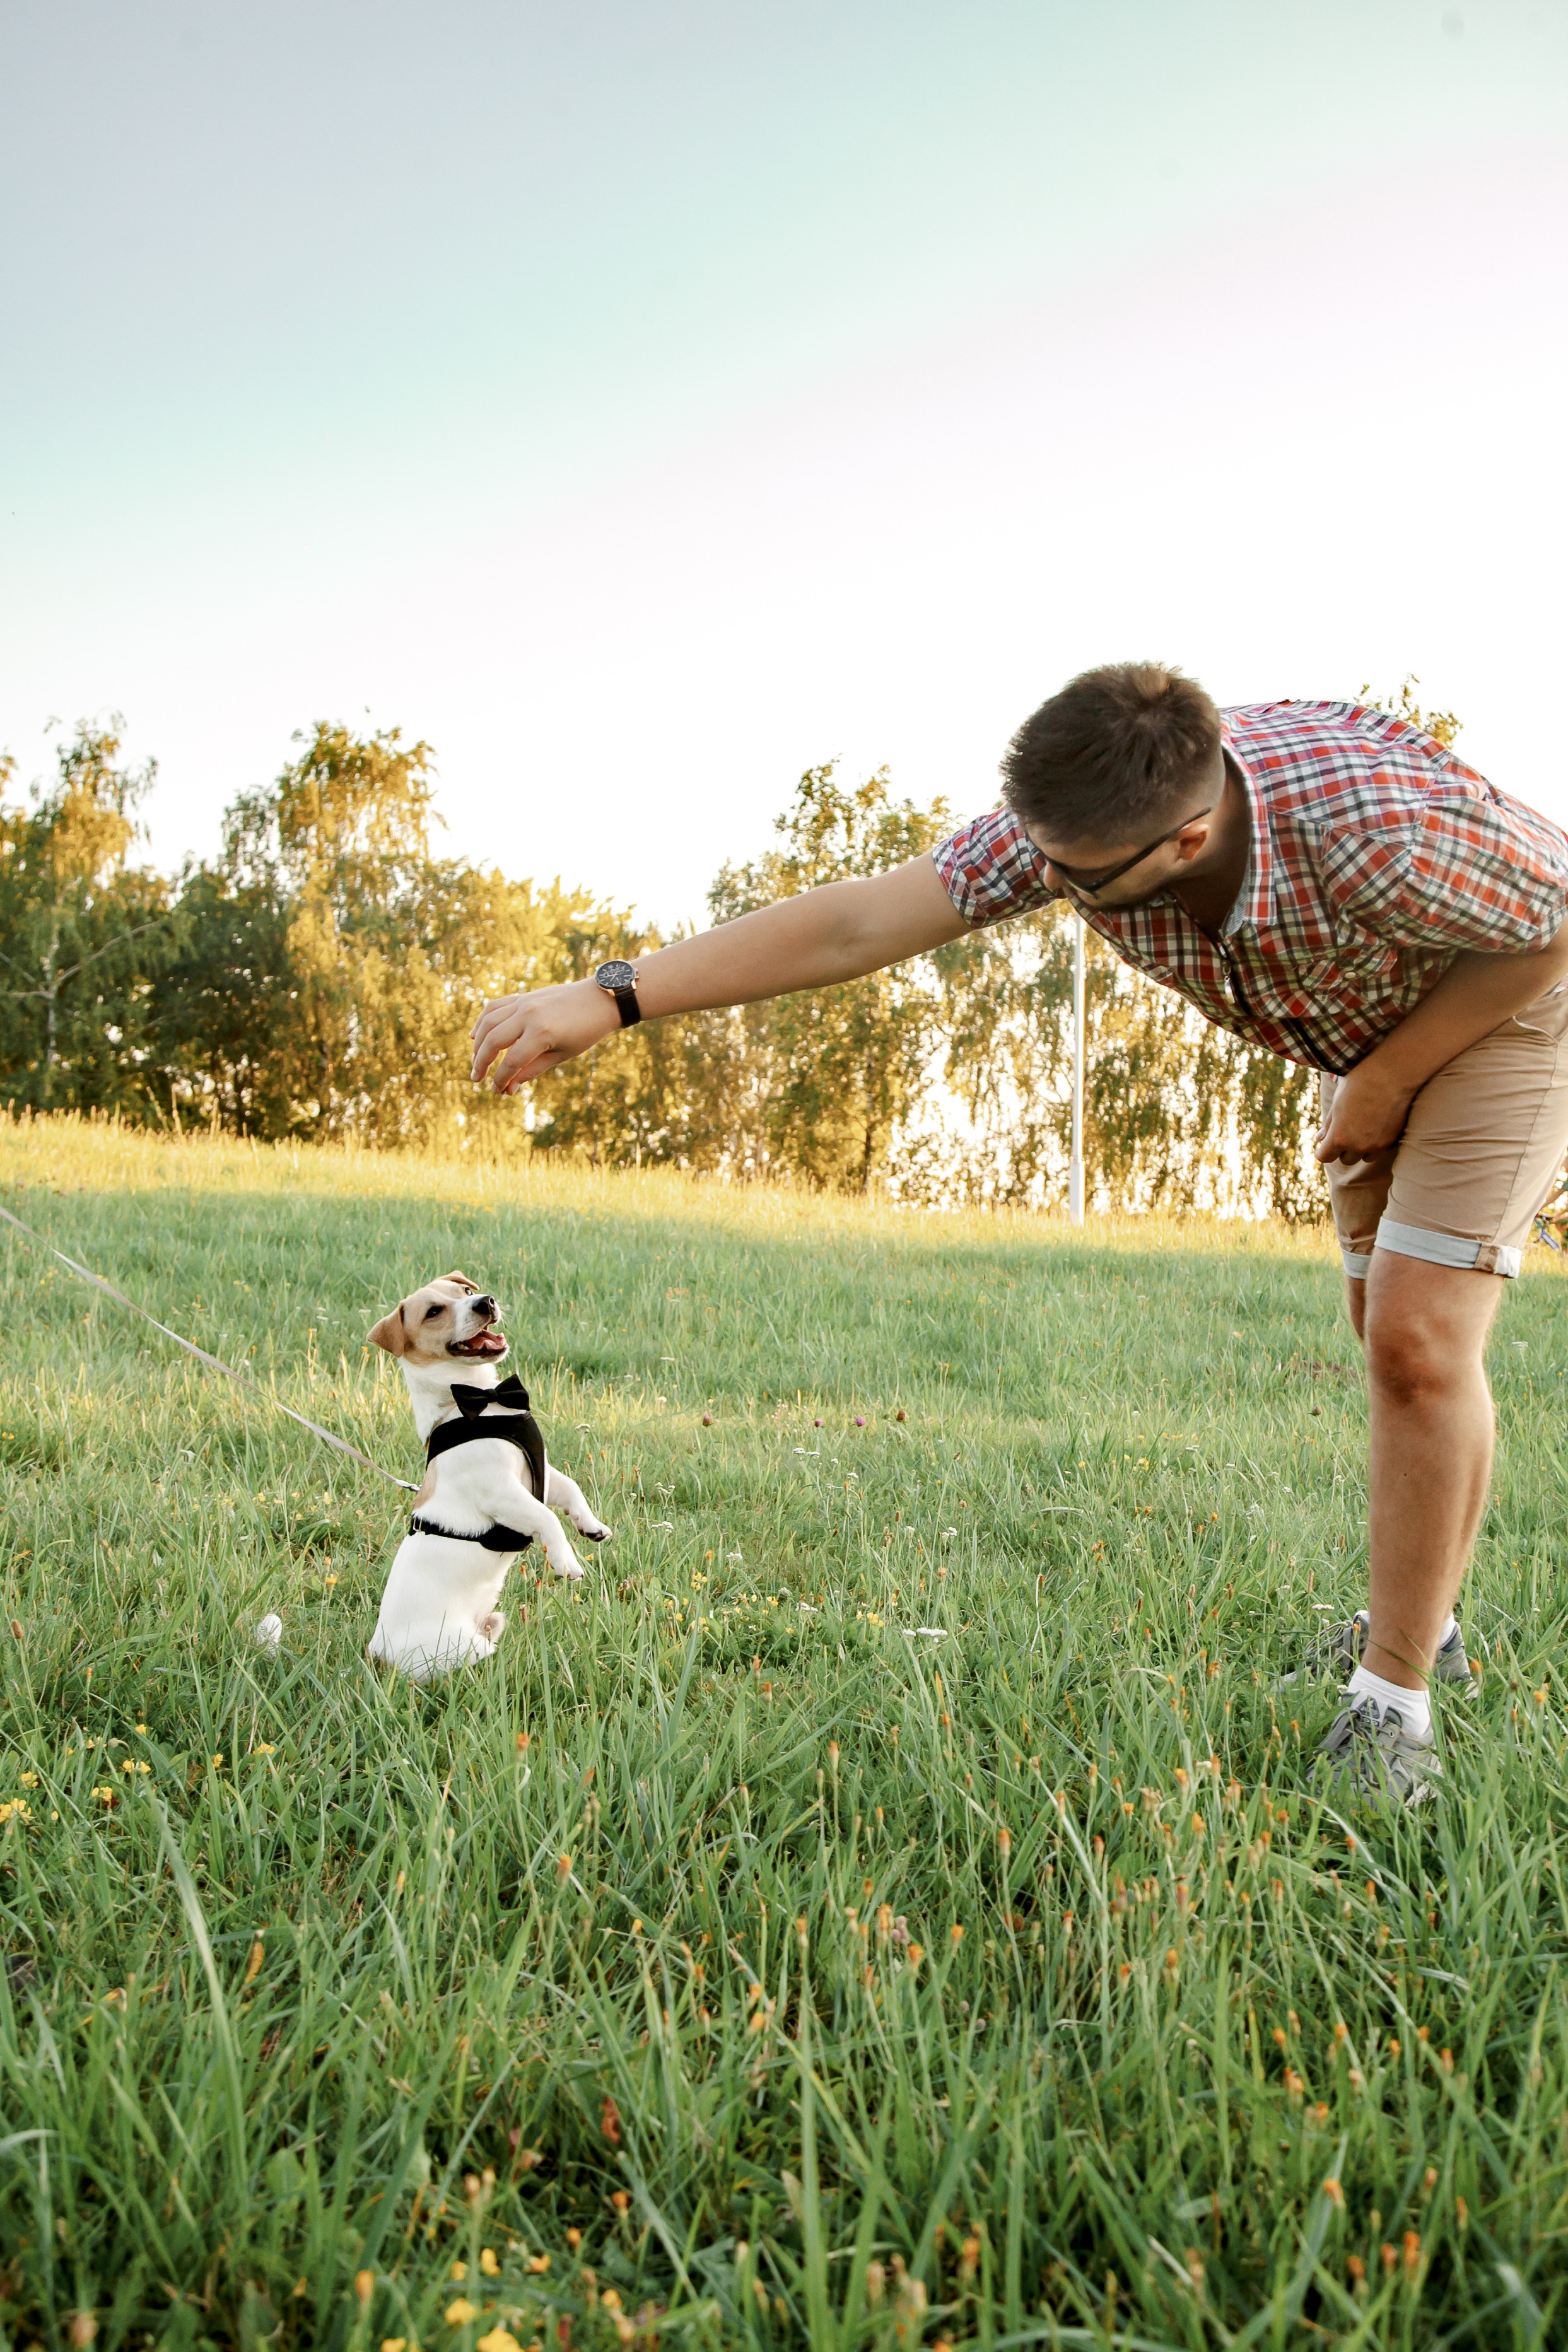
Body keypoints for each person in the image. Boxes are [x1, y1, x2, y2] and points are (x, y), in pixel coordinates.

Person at [471, 664, 1568, 1806]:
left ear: (1188, 838)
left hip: (1512, 1011)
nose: (1039, 882)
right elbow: (859, 918)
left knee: (1417, 1340)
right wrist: (613, 996)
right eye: (1037, 853)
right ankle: (1424, 1624)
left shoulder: (1371, 825)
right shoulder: (1082, 822)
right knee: (1390, 1338)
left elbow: (1547, 931)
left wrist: (1387, 1079)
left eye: (1072, 878)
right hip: (1367, 1026)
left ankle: (1391, 1705)